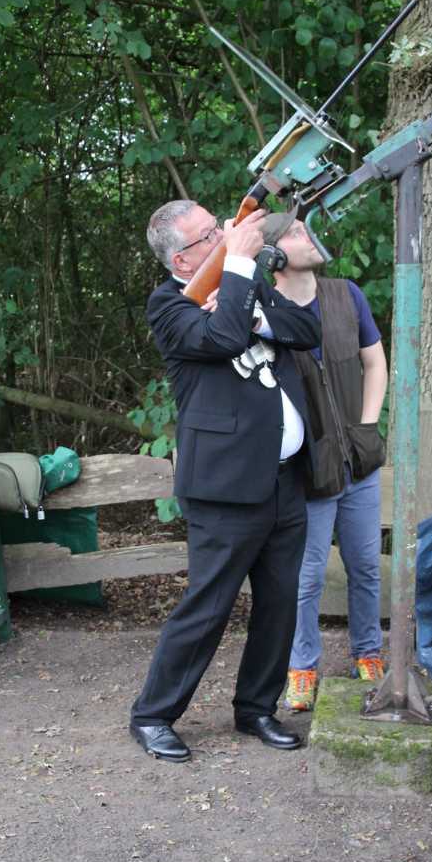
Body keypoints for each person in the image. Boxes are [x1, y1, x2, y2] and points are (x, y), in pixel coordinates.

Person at [130, 201, 320, 762]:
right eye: (209, 234)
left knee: (280, 603)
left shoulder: (244, 283)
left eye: (219, 227)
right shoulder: (169, 305)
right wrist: (236, 270)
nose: (225, 234)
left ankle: (255, 708)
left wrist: (256, 314)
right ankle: (153, 715)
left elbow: (306, 329)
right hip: (225, 489)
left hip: (283, 479)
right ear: (181, 259)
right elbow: (220, 340)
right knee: (208, 606)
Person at [268, 215, 388, 712]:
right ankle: (301, 666)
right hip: (308, 470)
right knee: (307, 575)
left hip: (359, 463)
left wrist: (366, 426)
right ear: (272, 254)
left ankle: (369, 653)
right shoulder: (264, 312)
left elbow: (374, 362)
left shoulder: (345, 294)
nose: (309, 235)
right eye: (295, 232)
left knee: (366, 565)